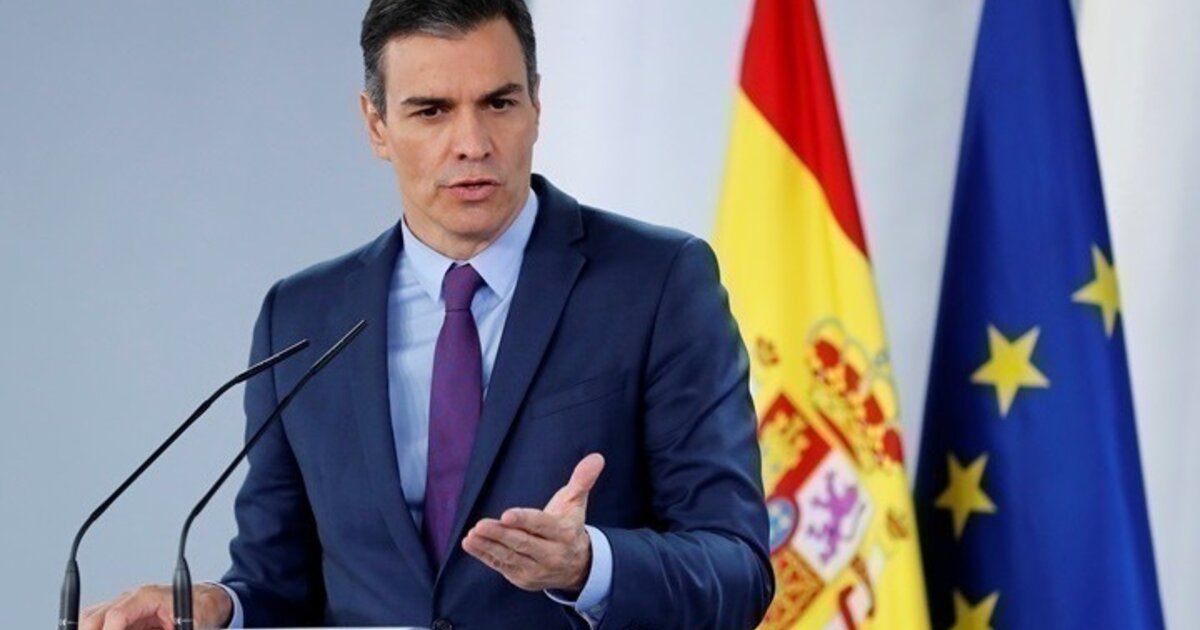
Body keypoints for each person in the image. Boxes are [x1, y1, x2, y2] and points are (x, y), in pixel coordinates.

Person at [80, 1, 772, 628]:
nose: (472, 142)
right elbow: (278, 583)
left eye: (498, 103)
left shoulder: (657, 283)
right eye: (432, 111)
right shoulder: (301, 318)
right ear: (376, 124)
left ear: (536, 104)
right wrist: (217, 609)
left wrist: (589, 566)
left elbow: (738, 570)